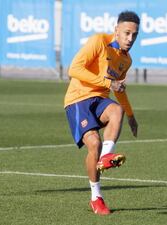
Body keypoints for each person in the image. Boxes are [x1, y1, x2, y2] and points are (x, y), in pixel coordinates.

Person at [64, 11, 139, 215]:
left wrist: (131, 116)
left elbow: (119, 89)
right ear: (116, 30)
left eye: (134, 35)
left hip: (99, 100)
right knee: (94, 144)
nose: (130, 39)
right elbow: (74, 69)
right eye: (126, 33)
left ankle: (106, 157)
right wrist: (108, 82)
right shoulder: (98, 41)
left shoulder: (126, 60)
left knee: (117, 109)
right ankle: (96, 197)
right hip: (77, 99)